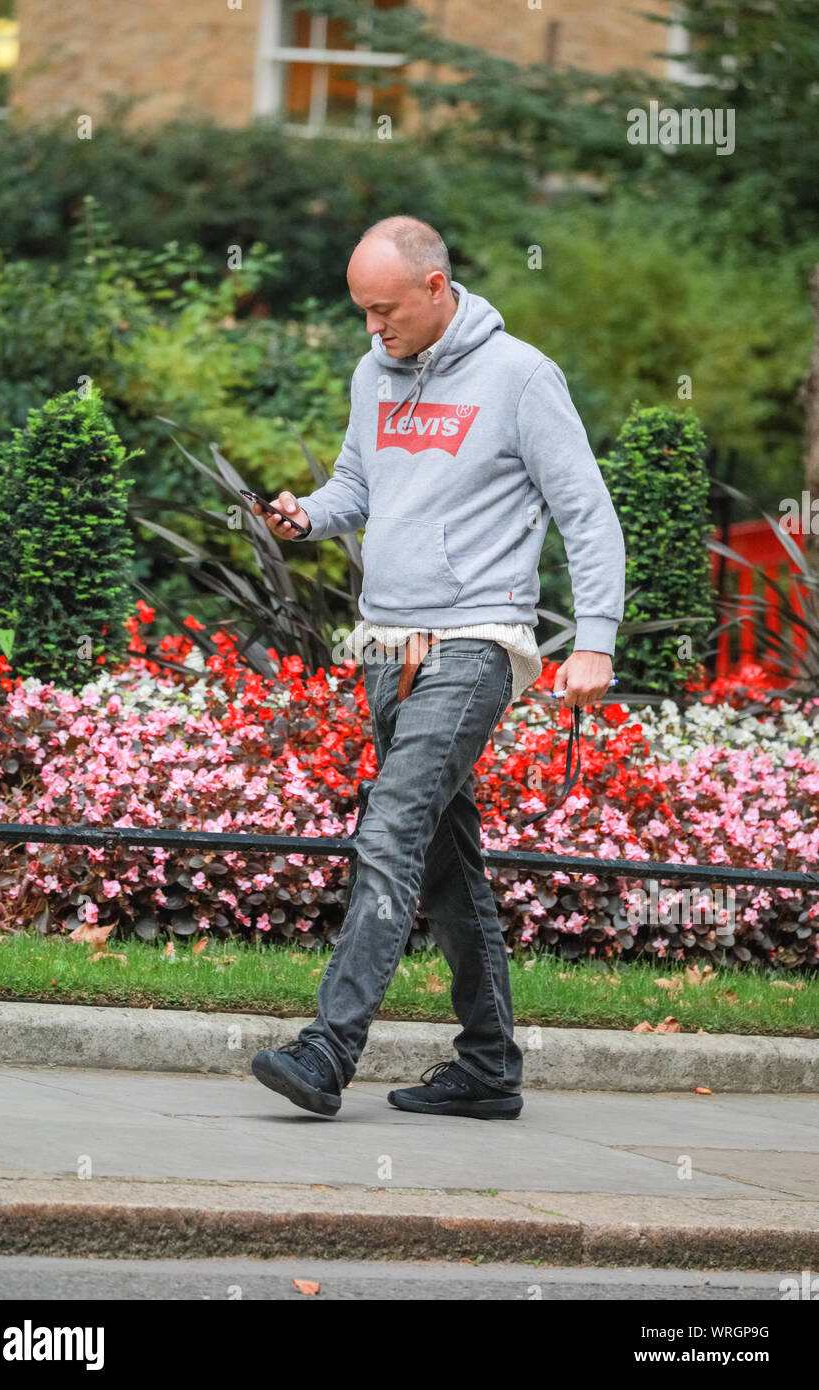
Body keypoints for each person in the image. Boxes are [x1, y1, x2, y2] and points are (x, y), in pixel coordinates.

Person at [250, 215, 625, 1120]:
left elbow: (588, 512)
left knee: (389, 828)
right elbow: (358, 486)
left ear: (433, 287)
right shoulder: (372, 373)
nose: (372, 329)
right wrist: (307, 517)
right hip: (387, 644)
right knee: (447, 861)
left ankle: (327, 1049)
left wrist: (596, 638)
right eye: (361, 314)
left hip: (478, 641)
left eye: (383, 311)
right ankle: (489, 1067)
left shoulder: (521, 377)